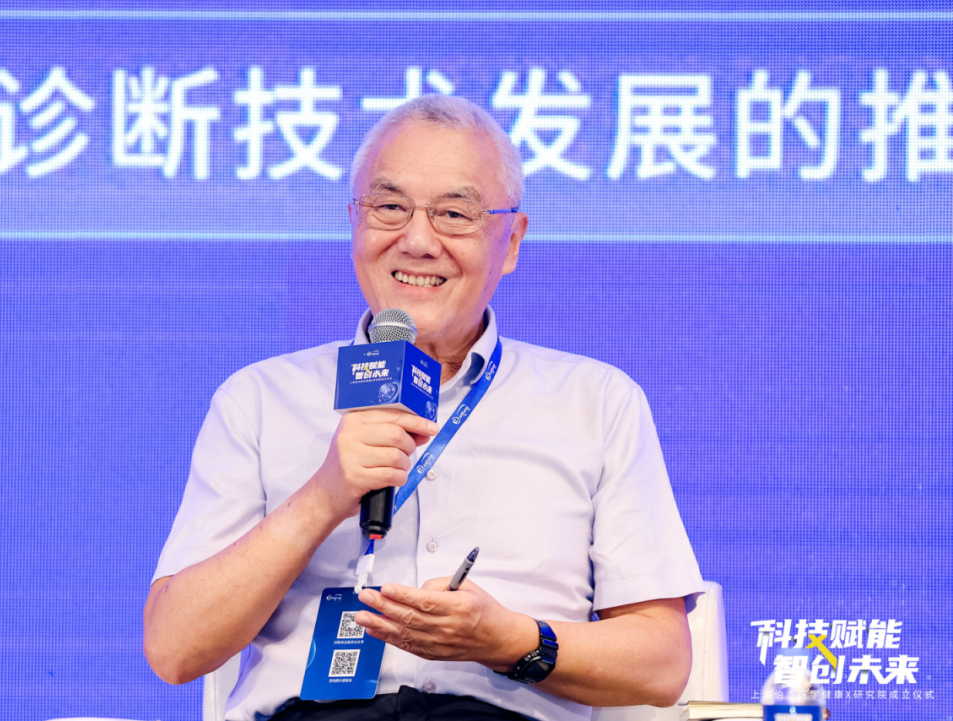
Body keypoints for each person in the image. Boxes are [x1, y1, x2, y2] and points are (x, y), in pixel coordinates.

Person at [144, 95, 704, 721]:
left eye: (454, 214)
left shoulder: (596, 402)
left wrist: (510, 640)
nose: (416, 241)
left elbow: (662, 664)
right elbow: (174, 650)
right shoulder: (258, 399)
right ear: (353, 221)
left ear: (512, 241)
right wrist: (324, 496)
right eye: (389, 207)